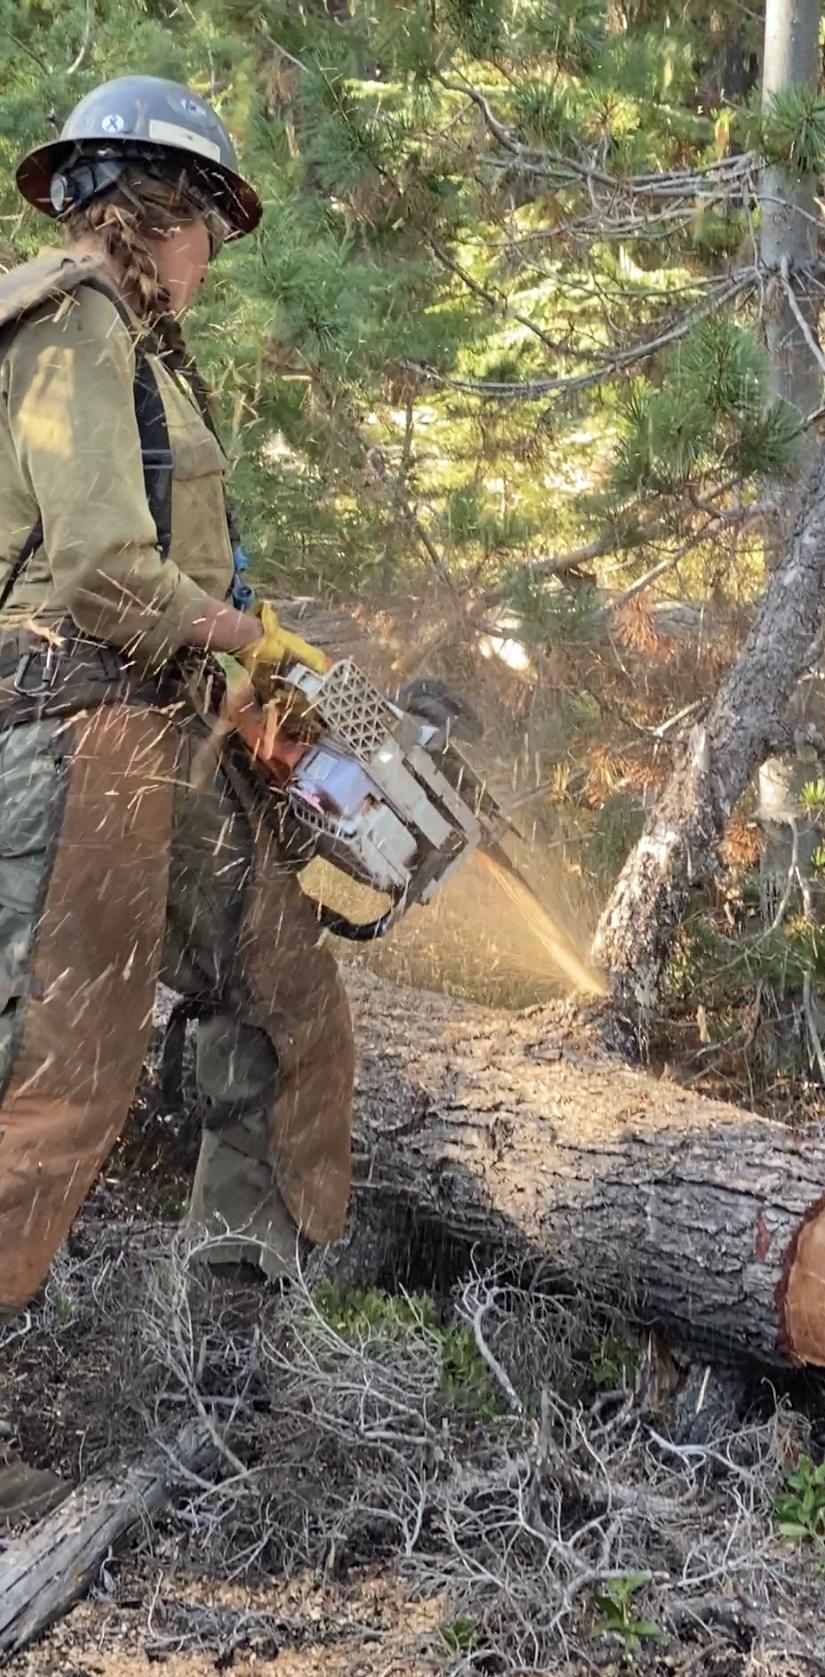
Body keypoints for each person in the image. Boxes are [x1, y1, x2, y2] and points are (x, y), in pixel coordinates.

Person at [0, 76, 355, 1519]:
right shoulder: (74, 327)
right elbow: (96, 568)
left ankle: (231, 1356)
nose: (215, 258)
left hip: (160, 744)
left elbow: (181, 575)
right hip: (82, 740)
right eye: (209, 226)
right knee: (52, 1099)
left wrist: (254, 672)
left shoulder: (143, 352)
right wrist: (237, 637)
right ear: (159, 215)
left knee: (283, 991)